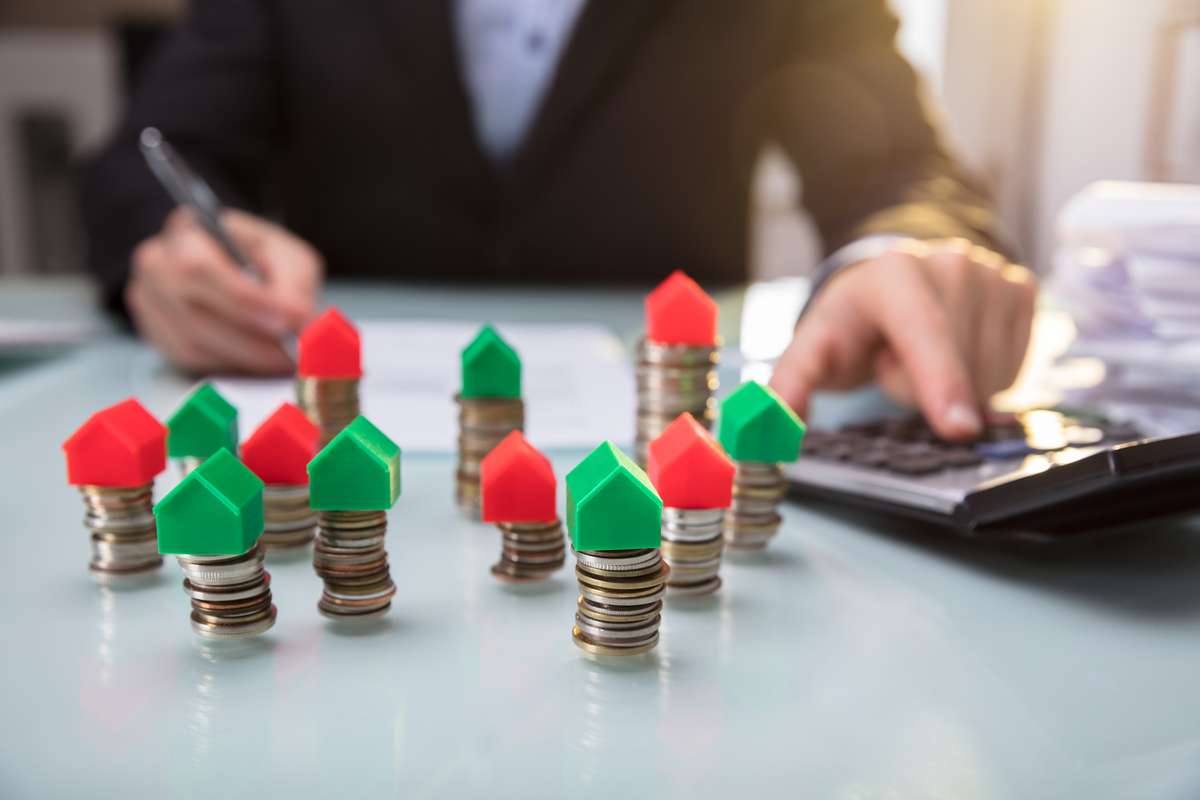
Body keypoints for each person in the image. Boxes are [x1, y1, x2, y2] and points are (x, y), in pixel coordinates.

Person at [81, 0, 1036, 441]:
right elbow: (153, 155)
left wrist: (905, 249)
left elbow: (901, 169)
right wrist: (166, 248)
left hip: (664, 452)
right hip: (335, 439)